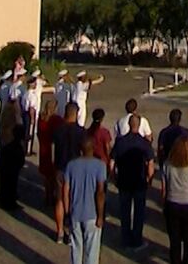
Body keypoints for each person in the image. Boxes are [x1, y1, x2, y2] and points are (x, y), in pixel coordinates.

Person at [110, 114, 156, 251]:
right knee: (139, 212)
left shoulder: (120, 142)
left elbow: (111, 163)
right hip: (139, 181)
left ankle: (125, 239)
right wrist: (150, 179)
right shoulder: (144, 143)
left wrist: (113, 178)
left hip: (124, 180)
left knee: (124, 211)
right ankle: (136, 240)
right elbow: (151, 164)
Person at [64, 135, 107, 264]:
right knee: (92, 253)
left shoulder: (71, 165)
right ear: (93, 149)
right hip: (92, 214)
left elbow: (65, 190)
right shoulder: (100, 166)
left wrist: (67, 213)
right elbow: (100, 193)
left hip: (75, 213)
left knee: (76, 250)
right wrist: (100, 216)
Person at [161, 136, 188, 264]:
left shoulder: (167, 164)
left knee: (175, 241)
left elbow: (164, 189)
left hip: (172, 203)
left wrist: (164, 204)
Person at [53, 102, 87, 244]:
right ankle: (72, 229)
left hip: (61, 166)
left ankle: (60, 231)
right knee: (74, 200)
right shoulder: (80, 131)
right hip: (75, 168)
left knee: (60, 200)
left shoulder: (58, 130)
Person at [0, 99, 26, 211]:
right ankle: (10, 201)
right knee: (12, 179)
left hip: (4, 153)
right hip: (12, 154)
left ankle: (3, 196)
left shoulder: (4, 123)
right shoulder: (15, 125)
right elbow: (21, 134)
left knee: (4, 178)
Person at [37, 98, 62, 206]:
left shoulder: (41, 118)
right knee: (54, 176)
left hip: (44, 148)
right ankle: (54, 197)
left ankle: (48, 196)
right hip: (53, 149)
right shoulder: (56, 120)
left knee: (47, 176)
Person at [87, 108, 114, 181]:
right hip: (102, 161)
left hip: (90, 160)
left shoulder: (88, 131)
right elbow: (107, 148)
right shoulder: (104, 132)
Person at [23, 74, 43, 155]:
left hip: (25, 113)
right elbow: (31, 108)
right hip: (30, 114)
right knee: (30, 132)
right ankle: (28, 150)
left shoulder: (26, 93)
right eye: (34, 83)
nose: (35, 85)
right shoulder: (32, 95)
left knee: (27, 132)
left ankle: (27, 149)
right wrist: (32, 119)